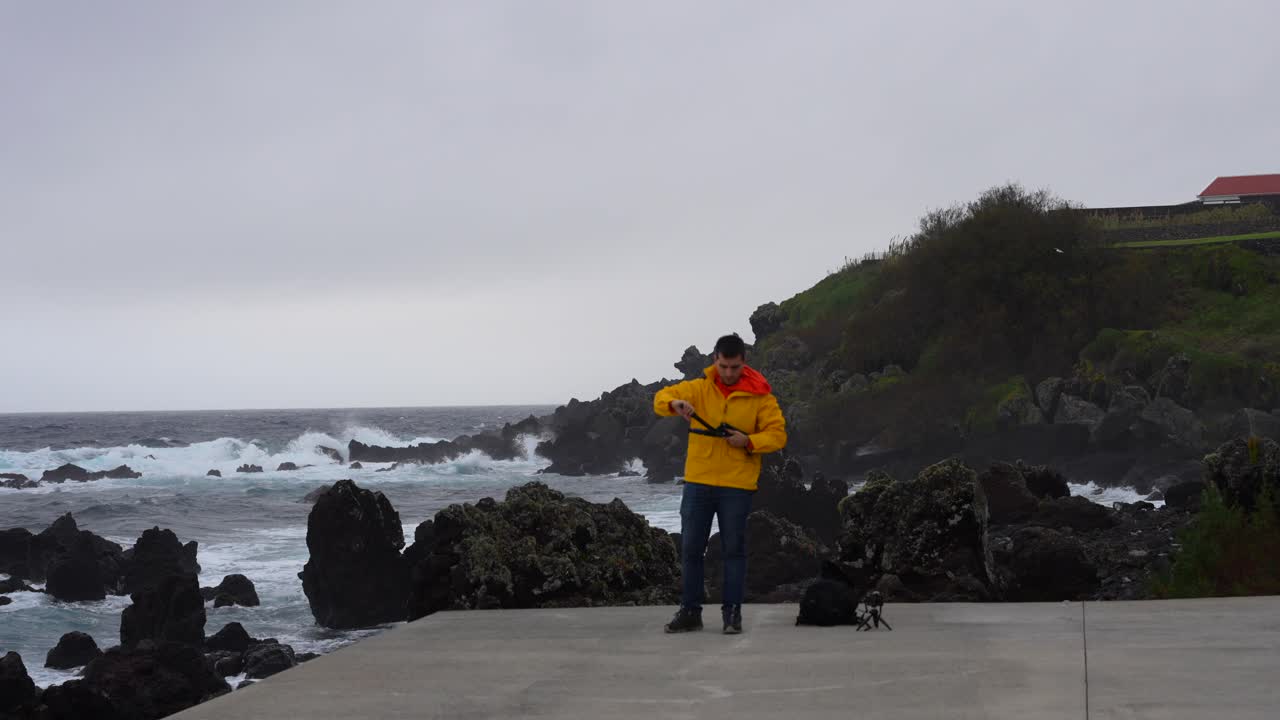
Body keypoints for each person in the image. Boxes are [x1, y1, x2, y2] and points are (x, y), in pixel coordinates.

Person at [653, 333, 787, 634]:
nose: (728, 373)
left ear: (744, 363)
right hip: (698, 482)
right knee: (690, 549)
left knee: (734, 550)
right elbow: (660, 399)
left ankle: (732, 614)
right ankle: (690, 612)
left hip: (736, 485)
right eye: (724, 366)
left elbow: (778, 434)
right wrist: (676, 404)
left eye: (735, 367)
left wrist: (748, 441)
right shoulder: (698, 389)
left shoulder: (760, 396)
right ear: (715, 360)